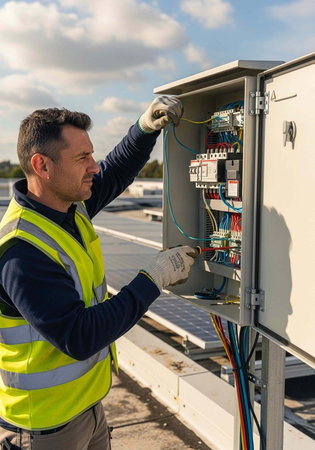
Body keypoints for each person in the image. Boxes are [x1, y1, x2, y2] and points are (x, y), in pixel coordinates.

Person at [0, 96, 196, 450]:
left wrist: (144, 128)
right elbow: (79, 336)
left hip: (88, 409)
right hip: (45, 427)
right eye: (82, 158)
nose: (93, 166)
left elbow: (114, 172)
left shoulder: (66, 207)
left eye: (91, 155)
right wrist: (153, 279)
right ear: (42, 165)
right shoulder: (21, 251)